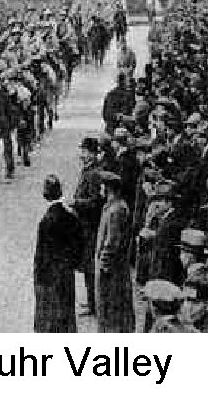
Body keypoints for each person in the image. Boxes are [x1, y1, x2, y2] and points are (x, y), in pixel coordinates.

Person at [34, 175, 84, 332]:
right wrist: (73, 263)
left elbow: (41, 253)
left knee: (51, 311)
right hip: (66, 272)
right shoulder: (71, 216)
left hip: (50, 274)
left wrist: (39, 275)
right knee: (67, 307)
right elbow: (79, 243)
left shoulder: (46, 221)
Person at [95, 171, 135, 333]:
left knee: (112, 307)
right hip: (117, 268)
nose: (100, 189)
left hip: (112, 272)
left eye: (102, 186)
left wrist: (104, 266)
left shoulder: (115, 211)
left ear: (108, 188)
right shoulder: (115, 207)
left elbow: (112, 243)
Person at [73, 136, 104, 315]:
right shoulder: (88, 170)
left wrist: (76, 203)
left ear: (92, 154)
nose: (82, 154)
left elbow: (94, 202)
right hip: (84, 225)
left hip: (90, 226)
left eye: (85, 151)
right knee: (86, 266)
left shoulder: (93, 174)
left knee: (90, 267)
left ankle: (94, 304)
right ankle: (91, 301)